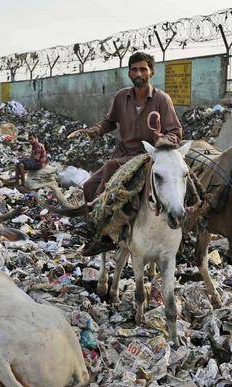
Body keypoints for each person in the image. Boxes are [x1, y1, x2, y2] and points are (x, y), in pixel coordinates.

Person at [68, 51, 183, 254]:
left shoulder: (162, 100)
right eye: (134, 69)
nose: (138, 73)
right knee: (88, 185)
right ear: (129, 73)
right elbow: (109, 121)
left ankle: (97, 222)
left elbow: (176, 133)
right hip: (123, 154)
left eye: (143, 69)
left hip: (146, 157)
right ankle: (103, 236)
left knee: (111, 167)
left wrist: (161, 139)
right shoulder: (122, 97)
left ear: (151, 72)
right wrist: (93, 131)